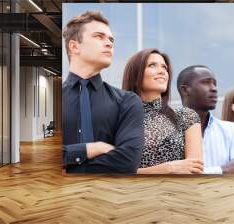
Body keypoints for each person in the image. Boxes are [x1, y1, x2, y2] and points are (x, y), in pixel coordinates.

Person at [62, 11, 144, 173]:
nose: (109, 43)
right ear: (74, 46)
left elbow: (127, 162)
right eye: (99, 36)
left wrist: (66, 163)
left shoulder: (128, 101)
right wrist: (90, 149)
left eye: (111, 39)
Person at [122, 49, 204, 174]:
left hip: (179, 192)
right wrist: (168, 169)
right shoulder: (119, 119)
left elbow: (195, 170)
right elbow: (115, 174)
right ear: (135, 74)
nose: (162, 71)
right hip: (134, 192)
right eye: (152, 65)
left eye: (164, 67)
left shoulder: (186, 116)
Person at [177, 65, 234, 174]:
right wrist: (223, 169)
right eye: (206, 82)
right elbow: (173, 177)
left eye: (214, 83)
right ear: (185, 90)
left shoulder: (230, 130)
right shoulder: (168, 130)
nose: (214, 88)